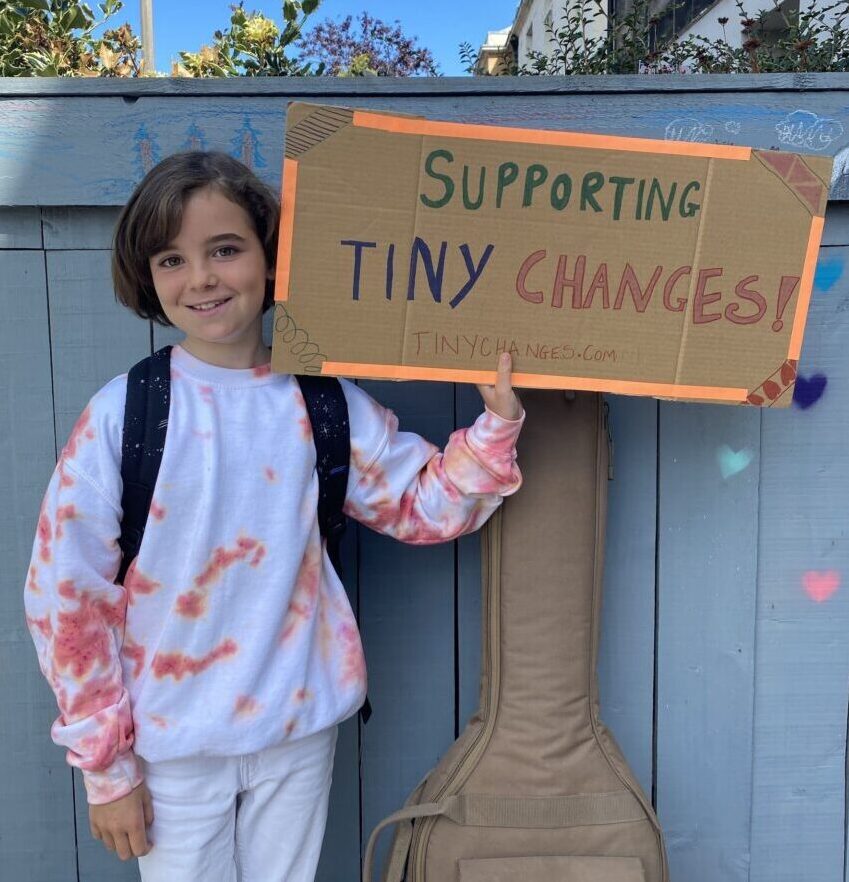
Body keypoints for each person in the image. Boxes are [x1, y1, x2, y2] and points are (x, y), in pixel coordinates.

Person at [23, 151, 524, 882]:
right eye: (172, 258)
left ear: (269, 256)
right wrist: (107, 768)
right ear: (147, 276)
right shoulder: (124, 414)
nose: (201, 277)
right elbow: (64, 597)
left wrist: (496, 426)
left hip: (297, 728)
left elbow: (423, 504)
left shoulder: (323, 403)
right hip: (173, 746)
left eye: (225, 249)